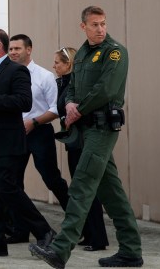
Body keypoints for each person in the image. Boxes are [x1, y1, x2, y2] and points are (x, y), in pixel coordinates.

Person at [30, 6, 142, 268]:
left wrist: (78, 109)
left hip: (102, 128)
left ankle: (60, 250)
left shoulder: (115, 52)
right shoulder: (81, 54)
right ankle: (131, 251)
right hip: (85, 128)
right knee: (111, 192)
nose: (100, 29)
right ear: (84, 26)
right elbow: (72, 86)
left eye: (103, 23)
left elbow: (106, 89)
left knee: (81, 184)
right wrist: (70, 103)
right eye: (94, 24)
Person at [0, 28, 55, 258]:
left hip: (5, 142)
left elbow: (24, 102)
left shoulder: (16, 70)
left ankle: (44, 231)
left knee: (7, 188)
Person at [5, 34, 69, 243]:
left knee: (51, 179)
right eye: (11, 49)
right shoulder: (8, 76)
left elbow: (56, 108)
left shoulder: (44, 76)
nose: (13, 52)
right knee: (13, 181)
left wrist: (34, 122)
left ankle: (77, 224)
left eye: (17, 48)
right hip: (15, 134)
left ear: (29, 50)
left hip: (39, 131)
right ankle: (20, 230)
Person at [53, 46, 109, 252]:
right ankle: (91, 234)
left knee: (85, 190)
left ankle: (97, 237)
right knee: (80, 189)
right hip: (74, 142)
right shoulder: (65, 83)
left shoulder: (75, 85)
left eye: (57, 62)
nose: (54, 66)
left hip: (82, 143)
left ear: (68, 64)